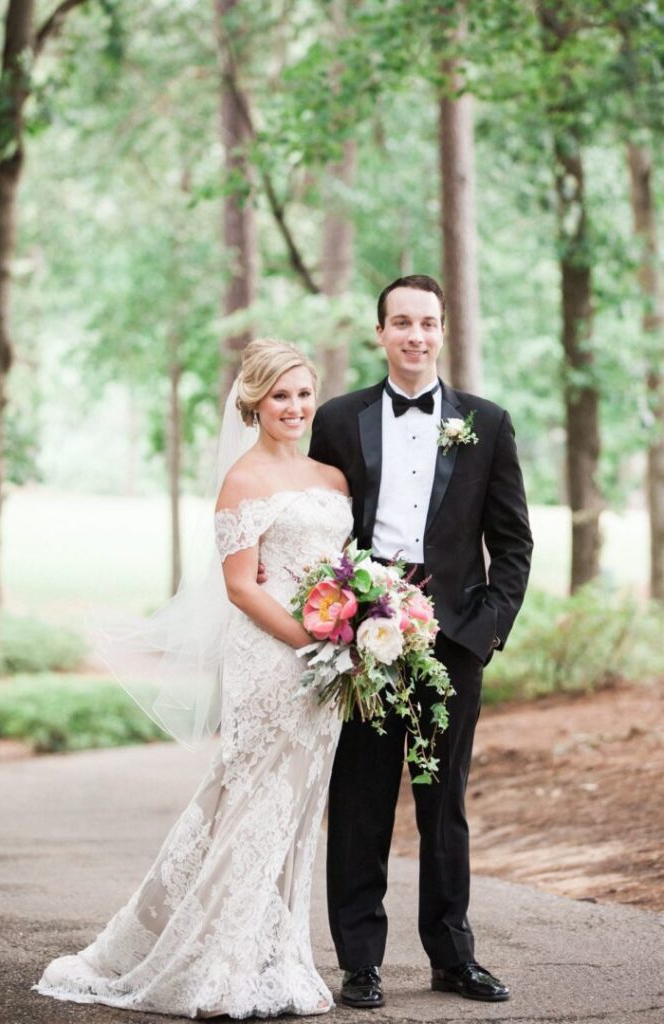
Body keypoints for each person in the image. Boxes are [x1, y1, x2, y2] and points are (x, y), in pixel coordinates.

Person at [34, 339, 352, 1019]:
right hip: (273, 660)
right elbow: (241, 588)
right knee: (245, 807)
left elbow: (339, 571)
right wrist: (316, 644)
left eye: (302, 394)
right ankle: (214, 961)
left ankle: (274, 956)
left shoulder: (331, 479)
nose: (294, 408)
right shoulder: (241, 481)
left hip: (327, 665)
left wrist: (350, 637)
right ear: (254, 403)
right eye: (280, 397)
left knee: (295, 811)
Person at [309, 274, 533, 1007]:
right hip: (364, 634)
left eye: (426, 323)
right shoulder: (339, 420)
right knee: (361, 799)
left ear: (442, 331)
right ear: (380, 332)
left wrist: (483, 630)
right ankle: (360, 961)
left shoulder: (487, 423)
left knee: (443, 802)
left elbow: (512, 542)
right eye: (400, 322)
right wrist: (336, 615)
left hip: (452, 637)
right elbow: (317, 528)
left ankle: (451, 957)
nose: (414, 335)